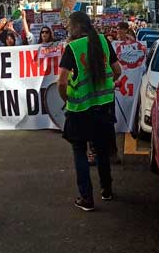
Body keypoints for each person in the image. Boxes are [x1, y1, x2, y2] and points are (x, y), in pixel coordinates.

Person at [58, 11, 122, 212]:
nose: (68, 28)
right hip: (103, 106)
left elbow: (61, 81)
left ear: (76, 26)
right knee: (102, 150)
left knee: (80, 151)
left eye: (69, 25)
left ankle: (86, 198)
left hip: (79, 110)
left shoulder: (72, 48)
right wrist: (108, 86)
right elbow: (117, 70)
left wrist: (66, 98)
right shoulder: (103, 41)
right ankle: (107, 190)